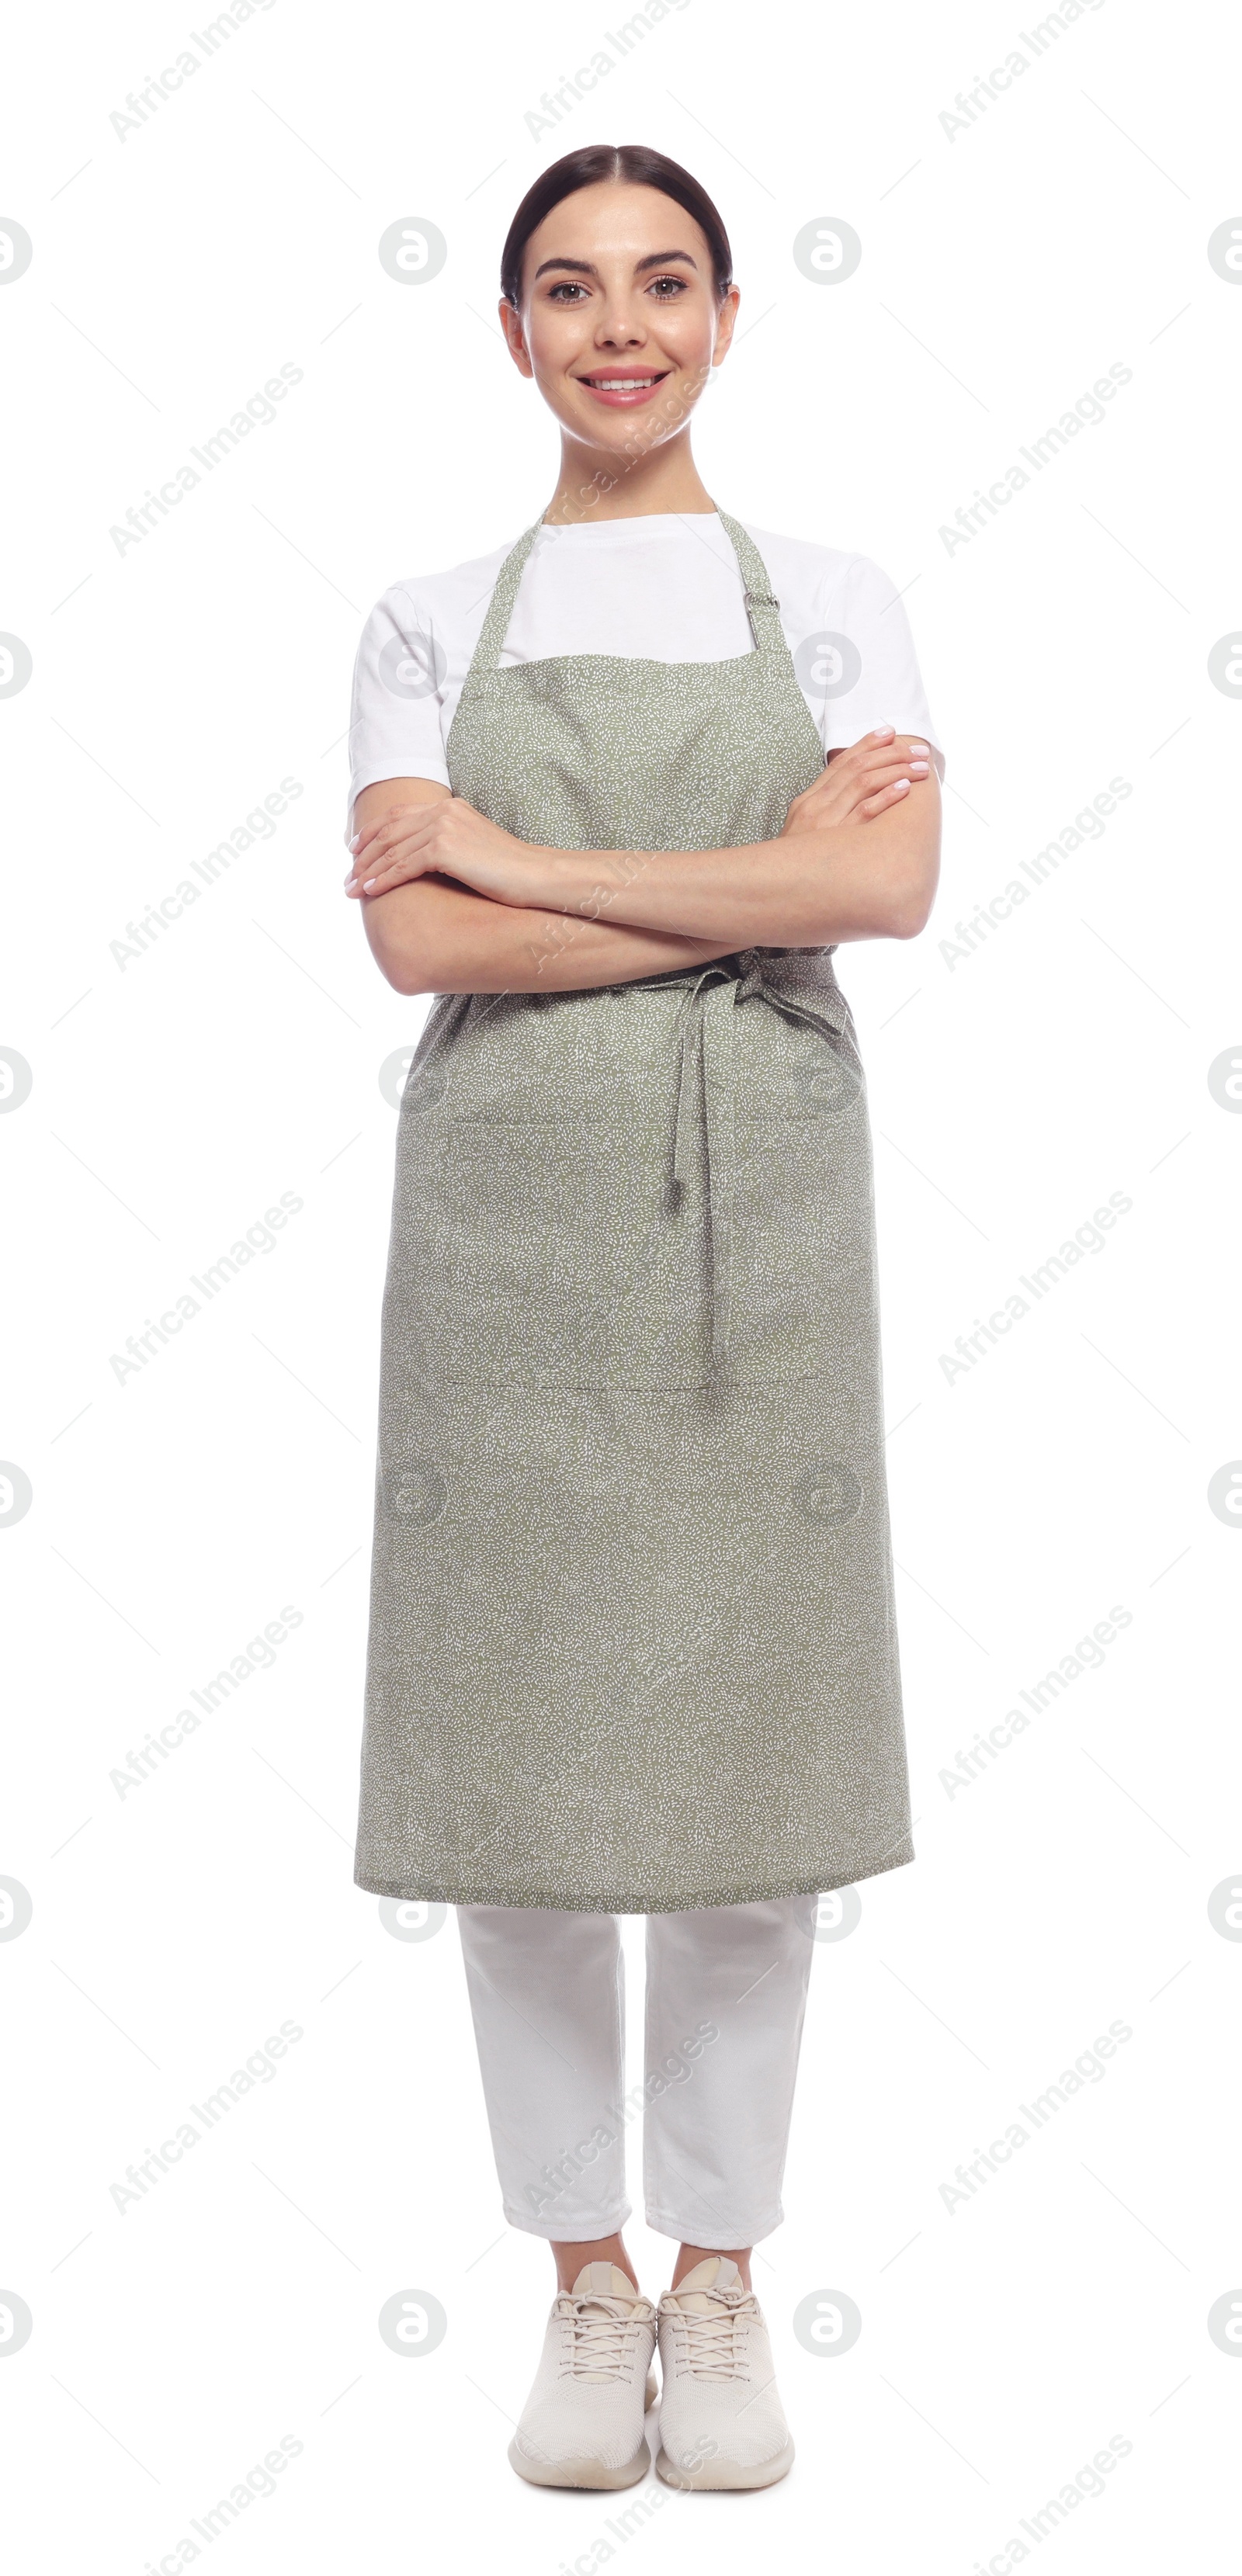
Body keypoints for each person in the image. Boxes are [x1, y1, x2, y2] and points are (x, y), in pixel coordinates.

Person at [345, 140, 942, 2495]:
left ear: (723, 316)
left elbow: (881, 882)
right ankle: (580, 2276)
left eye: (666, 283)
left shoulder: (842, 602)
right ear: (511, 332)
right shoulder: (416, 613)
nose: (623, 325)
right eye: (572, 289)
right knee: (514, 1773)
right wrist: (736, 884)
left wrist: (533, 855)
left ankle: (721, 2268)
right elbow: (421, 948)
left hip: (764, 1210)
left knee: (746, 1778)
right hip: (501, 1218)